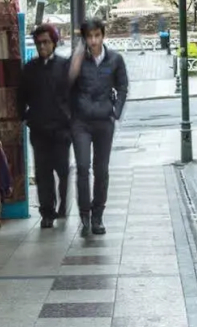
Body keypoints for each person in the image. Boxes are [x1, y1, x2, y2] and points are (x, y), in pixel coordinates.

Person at [68, 18, 129, 237]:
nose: (93, 41)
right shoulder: (78, 60)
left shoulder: (115, 59)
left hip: (104, 121)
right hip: (81, 122)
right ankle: (84, 214)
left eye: (97, 35)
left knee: (101, 170)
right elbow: (65, 86)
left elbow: (122, 87)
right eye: (89, 37)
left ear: (103, 35)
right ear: (84, 39)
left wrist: (115, 112)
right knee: (83, 167)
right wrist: (74, 64)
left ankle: (97, 216)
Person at [19, 24, 72, 228]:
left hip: (61, 129)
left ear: (54, 43)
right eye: (39, 42)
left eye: (46, 42)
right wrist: (24, 117)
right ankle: (47, 213)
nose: (42, 46)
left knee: (62, 170)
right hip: (39, 129)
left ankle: (62, 205)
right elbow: (20, 97)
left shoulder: (64, 66)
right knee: (43, 173)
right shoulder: (29, 69)